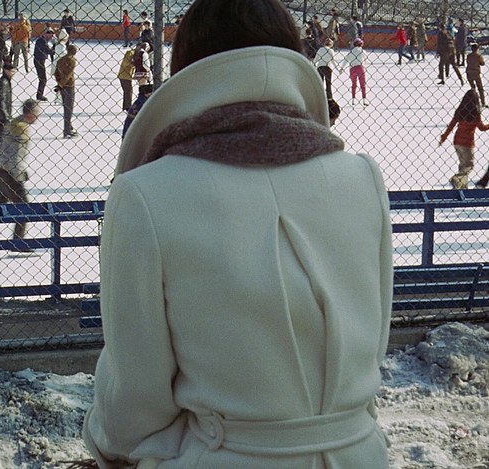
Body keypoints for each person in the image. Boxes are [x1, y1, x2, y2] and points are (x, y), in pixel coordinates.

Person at [81, 0, 393, 467]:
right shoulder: (363, 177)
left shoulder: (145, 194)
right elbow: (371, 349)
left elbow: (135, 402)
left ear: (187, 69)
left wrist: (110, 444)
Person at [0, 99, 41, 249]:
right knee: (24, 207)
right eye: (36, 113)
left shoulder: (13, 124)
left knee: (1, 203)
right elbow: (16, 156)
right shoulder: (21, 130)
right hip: (10, 174)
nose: (38, 116)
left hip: (1, 169)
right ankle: (18, 242)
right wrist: (19, 175)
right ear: (30, 114)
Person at [440, 90, 489, 189]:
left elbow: (451, 125)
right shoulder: (475, 114)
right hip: (468, 143)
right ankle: (457, 179)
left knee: (463, 164)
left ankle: (462, 187)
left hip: (457, 141)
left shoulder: (460, 112)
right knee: (469, 165)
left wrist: (444, 137)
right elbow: (482, 128)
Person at [55, 44, 78, 138]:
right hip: (69, 86)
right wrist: (62, 84)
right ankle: (67, 130)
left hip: (62, 87)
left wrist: (59, 82)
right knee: (69, 109)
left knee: (66, 108)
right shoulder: (72, 60)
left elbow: (56, 73)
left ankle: (69, 127)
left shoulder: (60, 60)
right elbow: (68, 74)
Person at [0, 63, 16, 137]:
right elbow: (1, 100)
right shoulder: (3, 82)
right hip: (0, 115)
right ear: (6, 71)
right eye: (11, 71)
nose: (13, 74)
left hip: (1, 114)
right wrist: (6, 116)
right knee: (5, 137)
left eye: (14, 71)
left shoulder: (6, 81)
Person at [345, 38, 368, 105]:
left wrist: (341, 68)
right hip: (360, 67)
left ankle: (353, 100)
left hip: (352, 68)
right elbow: (365, 59)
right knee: (362, 84)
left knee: (354, 84)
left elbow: (346, 60)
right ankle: (364, 100)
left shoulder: (351, 52)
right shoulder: (362, 51)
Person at [33, 28, 54, 101]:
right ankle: (39, 95)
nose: (51, 38)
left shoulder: (43, 40)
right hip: (39, 60)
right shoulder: (42, 41)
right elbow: (47, 50)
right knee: (43, 79)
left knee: (42, 78)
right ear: (47, 34)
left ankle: (39, 94)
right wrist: (54, 50)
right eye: (51, 36)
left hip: (40, 60)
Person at [466, 43, 486, 108]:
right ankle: (483, 102)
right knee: (480, 89)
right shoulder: (478, 56)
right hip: (476, 73)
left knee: (473, 89)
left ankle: (473, 102)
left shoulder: (468, 55)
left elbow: (468, 62)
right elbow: (482, 63)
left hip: (469, 73)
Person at [118, 46, 136, 110]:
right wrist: (133, 63)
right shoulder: (130, 53)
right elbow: (125, 63)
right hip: (124, 75)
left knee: (127, 91)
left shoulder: (134, 54)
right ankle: (128, 106)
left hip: (127, 75)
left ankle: (126, 106)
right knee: (128, 91)